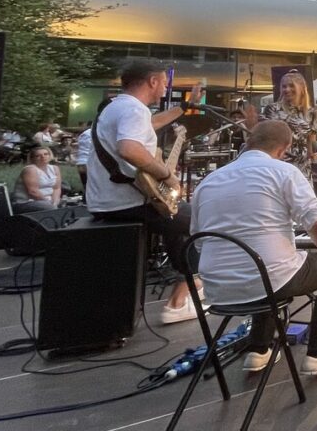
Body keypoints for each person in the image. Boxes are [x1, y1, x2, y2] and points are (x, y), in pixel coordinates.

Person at [193, 121, 317, 375]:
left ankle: (258, 350)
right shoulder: (284, 171)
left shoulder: (208, 181)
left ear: (248, 142)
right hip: (268, 280)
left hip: (216, 288)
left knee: (268, 266)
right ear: (284, 148)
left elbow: (198, 240)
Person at [86, 60, 194, 323]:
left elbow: (150, 124)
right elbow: (129, 149)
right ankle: (183, 294)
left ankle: (186, 284)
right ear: (152, 81)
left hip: (107, 201)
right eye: (164, 83)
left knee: (174, 217)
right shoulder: (134, 109)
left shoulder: (117, 106)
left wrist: (183, 108)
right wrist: (166, 175)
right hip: (128, 203)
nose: (165, 88)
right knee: (202, 219)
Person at [12, 145, 63, 213]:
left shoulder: (55, 168)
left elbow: (56, 188)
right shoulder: (30, 169)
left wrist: (55, 202)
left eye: (46, 154)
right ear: (32, 159)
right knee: (49, 207)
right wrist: (49, 203)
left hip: (48, 200)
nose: (43, 157)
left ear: (50, 155)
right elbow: (33, 192)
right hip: (27, 202)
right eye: (38, 156)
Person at [73, 122, 92, 191]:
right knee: (91, 188)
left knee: (87, 187)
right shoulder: (93, 133)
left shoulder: (84, 134)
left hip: (82, 162)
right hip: (88, 162)